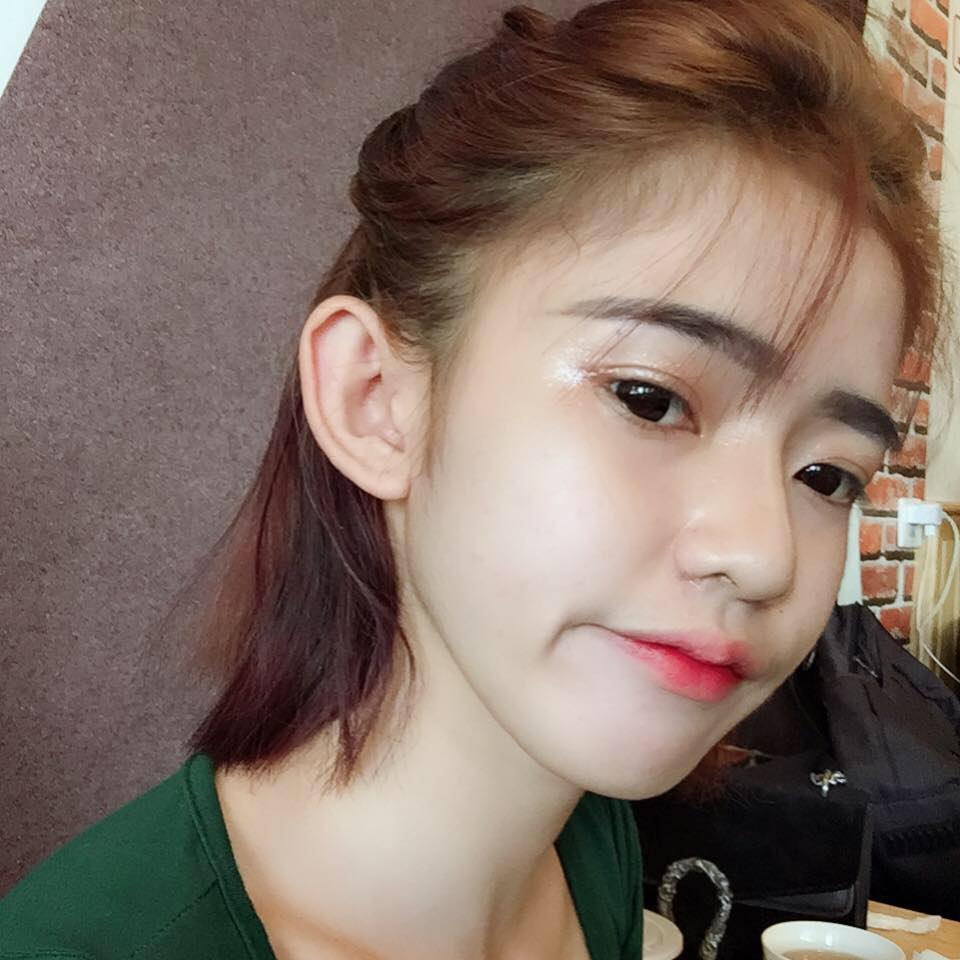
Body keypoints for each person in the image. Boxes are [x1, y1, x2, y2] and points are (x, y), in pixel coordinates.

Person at [0, 0, 950, 958]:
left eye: (827, 475)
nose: (763, 555)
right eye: (650, 398)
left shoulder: (592, 840)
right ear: (376, 399)